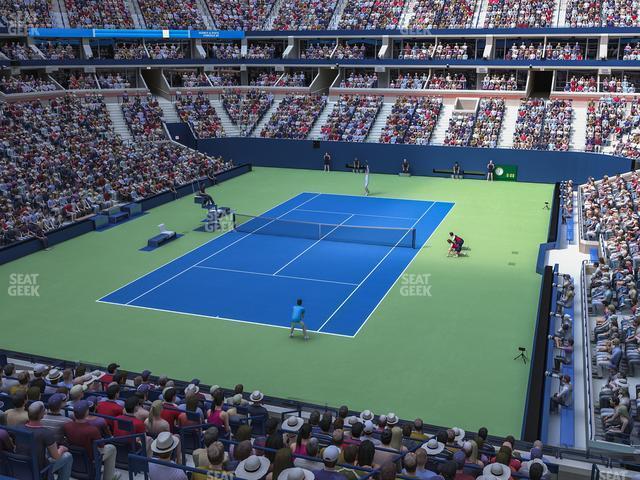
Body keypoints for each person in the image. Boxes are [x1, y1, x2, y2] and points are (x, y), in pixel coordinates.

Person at [64, 400, 117, 480]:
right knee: (112, 448)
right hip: (91, 459)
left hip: (76, 459)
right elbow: (102, 447)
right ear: (86, 413)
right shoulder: (92, 430)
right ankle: (108, 478)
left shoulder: (66, 426)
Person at [20, 401, 72, 480]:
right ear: (42, 414)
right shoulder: (47, 433)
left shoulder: (19, 428)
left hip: (21, 467)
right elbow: (56, 457)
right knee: (68, 456)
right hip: (40, 470)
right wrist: (62, 448)